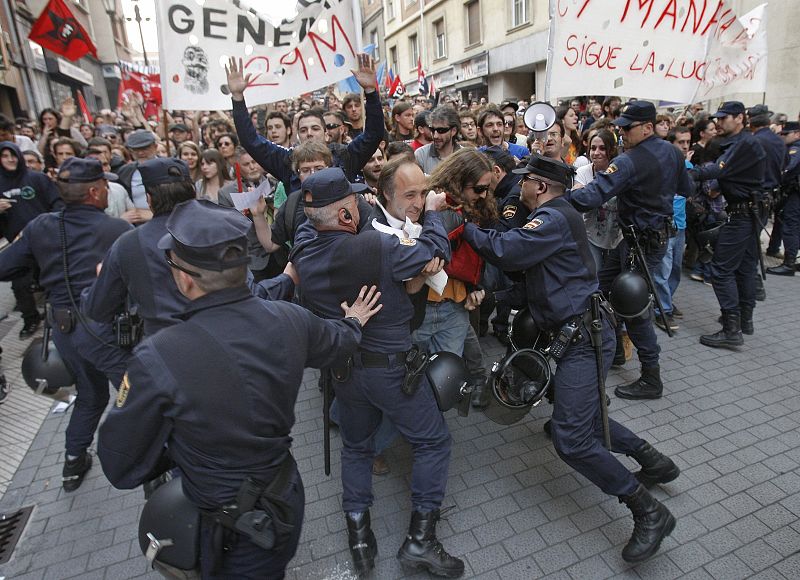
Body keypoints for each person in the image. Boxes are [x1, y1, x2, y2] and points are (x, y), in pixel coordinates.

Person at [97, 199, 381, 579]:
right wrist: (354, 321)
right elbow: (339, 343)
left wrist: (178, 449)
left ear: (183, 277)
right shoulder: (290, 319)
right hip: (283, 498)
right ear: (242, 266)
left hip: (223, 522)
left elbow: (121, 465)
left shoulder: (158, 356)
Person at [461, 154, 679, 565]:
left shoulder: (552, 219)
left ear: (540, 187)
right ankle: (654, 461)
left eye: (526, 181)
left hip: (583, 337)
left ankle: (648, 510)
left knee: (571, 439)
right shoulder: (552, 219)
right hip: (575, 333)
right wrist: (489, 297)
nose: (520, 185)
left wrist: (458, 227)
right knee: (580, 413)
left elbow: (505, 250)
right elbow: (531, 287)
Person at [291, 167, 464, 577]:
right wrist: (433, 215)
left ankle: (361, 538)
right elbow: (436, 255)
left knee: (356, 447)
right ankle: (421, 541)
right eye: (354, 201)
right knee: (433, 441)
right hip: (388, 368)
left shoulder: (303, 248)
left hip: (344, 371)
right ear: (348, 216)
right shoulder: (377, 248)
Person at [0, 157, 132, 491]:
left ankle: (72, 464)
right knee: (135, 395)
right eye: (104, 186)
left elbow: (5, 267)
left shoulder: (40, 226)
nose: (107, 191)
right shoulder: (115, 229)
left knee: (89, 395)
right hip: (108, 332)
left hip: (65, 331)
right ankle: (152, 461)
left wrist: (36, 267)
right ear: (93, 191)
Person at [570, 100, 692, 400]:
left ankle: (651, 376)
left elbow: (591, 197)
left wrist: (556, 201)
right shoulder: (673, 153)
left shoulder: (628, 160)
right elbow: (686, 189)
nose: (621, 132)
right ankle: (614, 352)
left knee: (634, 306)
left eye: (627, 127)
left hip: (641, 243)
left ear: (648, 127)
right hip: (649, 239)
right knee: (601, 288)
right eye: (620, 127)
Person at [227, 54, 382, 193]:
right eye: (303, 130)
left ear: (326, 134)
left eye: (315, 128)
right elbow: (251, 141)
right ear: (297, 135)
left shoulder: (345, 156)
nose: (309, 133)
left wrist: (370, 92)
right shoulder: (286, 161)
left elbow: (373, 135)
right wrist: (238, 98)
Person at [689, 101, 767, 348]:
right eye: (718, 118)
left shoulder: (744, 143)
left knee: (721, 270)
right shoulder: (743, 142)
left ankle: (732, 328)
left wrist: (686, 171)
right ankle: (744, 320)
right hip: (749, 211)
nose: (718, 123)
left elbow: (716, 170)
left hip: (743, 214)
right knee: (744, 268)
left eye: (724, 118)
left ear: (740, 118)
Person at [0, 141, 63, 338]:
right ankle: (30, 318)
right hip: (18, 244)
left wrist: (50, 227)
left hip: (45, 241)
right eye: (5, 156)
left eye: (13, 155)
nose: (10, 160)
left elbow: (57, 204)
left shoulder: (37, 179)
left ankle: (59, 319)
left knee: (53, 281)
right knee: (20, 284)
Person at [766, 122, 800, 276]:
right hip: (791, 192)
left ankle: (789, 263)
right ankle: (775, 250)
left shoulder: (796, 148)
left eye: (786, 134)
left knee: (790, 225)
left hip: (795, 194)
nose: (783, 137)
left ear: (797, 134)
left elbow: (786, 167)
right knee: (785, 222)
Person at [414, 106, 462, 174]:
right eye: (432, 130)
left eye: (441, 130)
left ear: (453, 131)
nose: (435, 136)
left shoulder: (465, 156)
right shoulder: (420, 155)